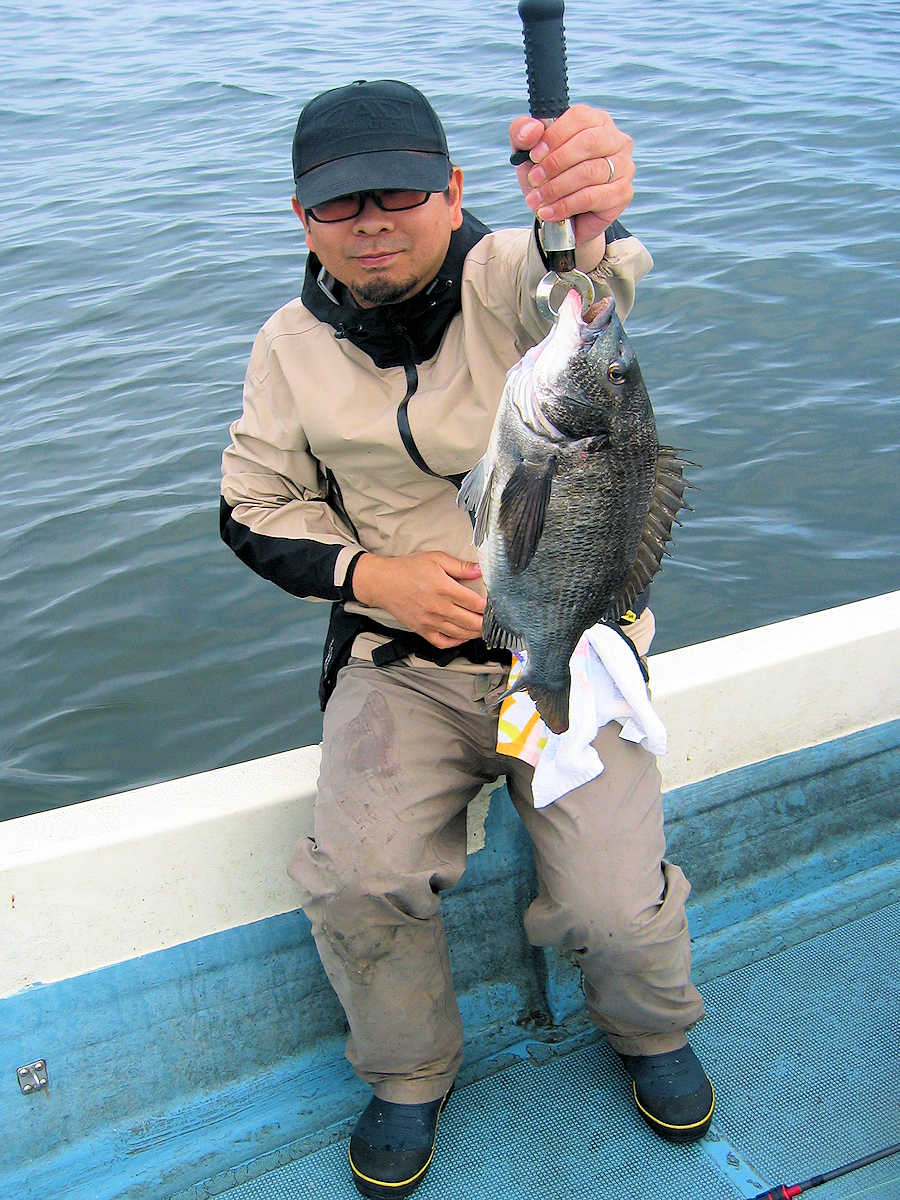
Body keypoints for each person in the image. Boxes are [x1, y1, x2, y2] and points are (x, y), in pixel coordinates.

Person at [220, 78, 713, 1199]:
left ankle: (650, 1028)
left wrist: (584, 206)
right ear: (302, 219)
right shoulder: (286, 349)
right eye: (340, 204)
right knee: (360, 880)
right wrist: (377, 579)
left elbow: (578, 278)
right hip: (402, 667)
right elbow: (250, 508)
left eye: (400, 193)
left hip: (571, 645)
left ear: (452, 192)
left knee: (613, 909)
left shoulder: (505, 283)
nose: (372, 222)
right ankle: (408, 1074)